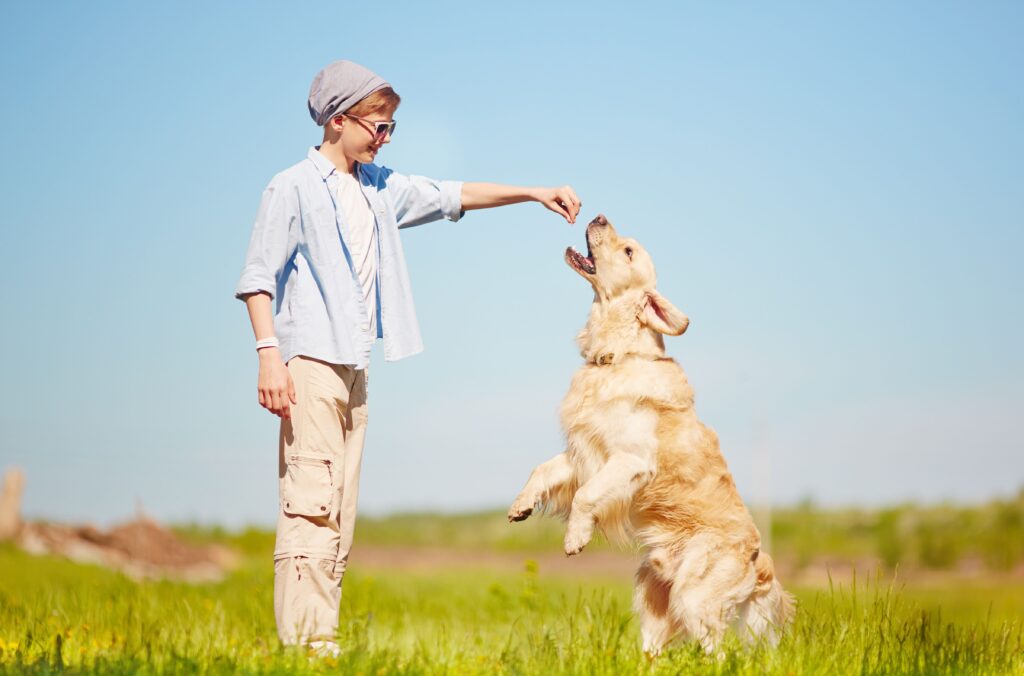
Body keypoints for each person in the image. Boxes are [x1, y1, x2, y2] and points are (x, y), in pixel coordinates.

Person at [234, 60, 581, 654]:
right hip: (308, 364)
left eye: (392, 127)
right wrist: (270, 355)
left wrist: (532, 192)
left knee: (339, 506)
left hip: (354, 367)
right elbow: (257, 278)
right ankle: (306, 645)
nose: (385, 137)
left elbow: (454, 194)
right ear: (338, 120)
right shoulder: (291, 186)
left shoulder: (378, 189)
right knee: (310, 502)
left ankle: (322, 640)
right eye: (378, 126)